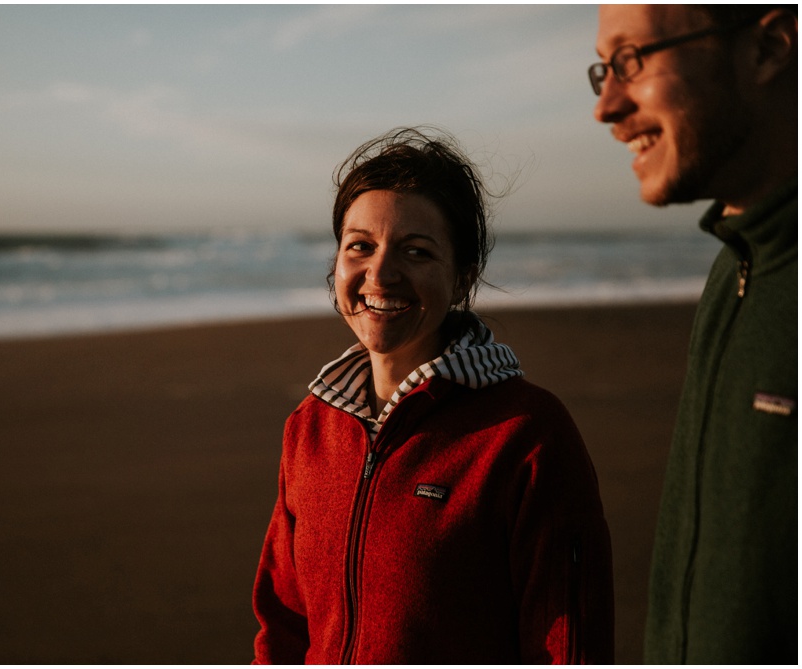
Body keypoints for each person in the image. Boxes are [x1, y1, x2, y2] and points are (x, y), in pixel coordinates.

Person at [251, 128, 614, 664]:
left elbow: (569, 647)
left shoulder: (526, 433)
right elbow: (283, 623)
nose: (380, 273)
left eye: (416, 251)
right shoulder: (309, 428)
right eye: (360, 246)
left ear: (463, 277)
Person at [590, 5, 797, 664]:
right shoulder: (733, 266)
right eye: (603, 69)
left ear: (766, 50)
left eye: (632, 61)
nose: (606, 106)